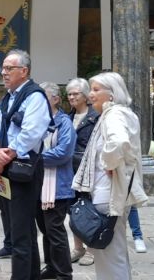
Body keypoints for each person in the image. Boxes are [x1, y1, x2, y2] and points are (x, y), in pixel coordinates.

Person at [72, 72, 148, 280]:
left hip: (108, 195)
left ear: (112, 94)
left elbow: (118, 142)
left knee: (109, 256)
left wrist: (109, 162)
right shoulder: (116, 114)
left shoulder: (114, 114)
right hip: (110, 193)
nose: (91, 94)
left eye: (97, 90)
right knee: (115, 254)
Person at [0, 49, 52, 280]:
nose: (3, 73)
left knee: (21, 233)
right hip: (6, 167)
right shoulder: (8, 96)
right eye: (3, 68)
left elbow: (31, 133)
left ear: (24, 71)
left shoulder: (35, 96)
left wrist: (5, 155)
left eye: (9, 68)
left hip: (23, 169)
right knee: (17, 229)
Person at [36, 82, 76, 280]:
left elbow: (63, 152)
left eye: (45, 96)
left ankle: (64, 272)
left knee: (55, 230)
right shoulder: (38, 121)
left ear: (56, 99)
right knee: (44, 229)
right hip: (38, 183)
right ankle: (51, 266)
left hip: (57, 185)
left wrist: (35, 158)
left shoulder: (64, 123)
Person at [66, 78, 99, 266]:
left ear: (86, 96)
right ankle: (78, 247)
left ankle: (92, 249)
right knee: (73, 209)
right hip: (69, 170)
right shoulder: (67, 117)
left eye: (75, 93)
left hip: (88, 170)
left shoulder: (95, 117)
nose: (71, 97)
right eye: (69, 94)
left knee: (89, 209)